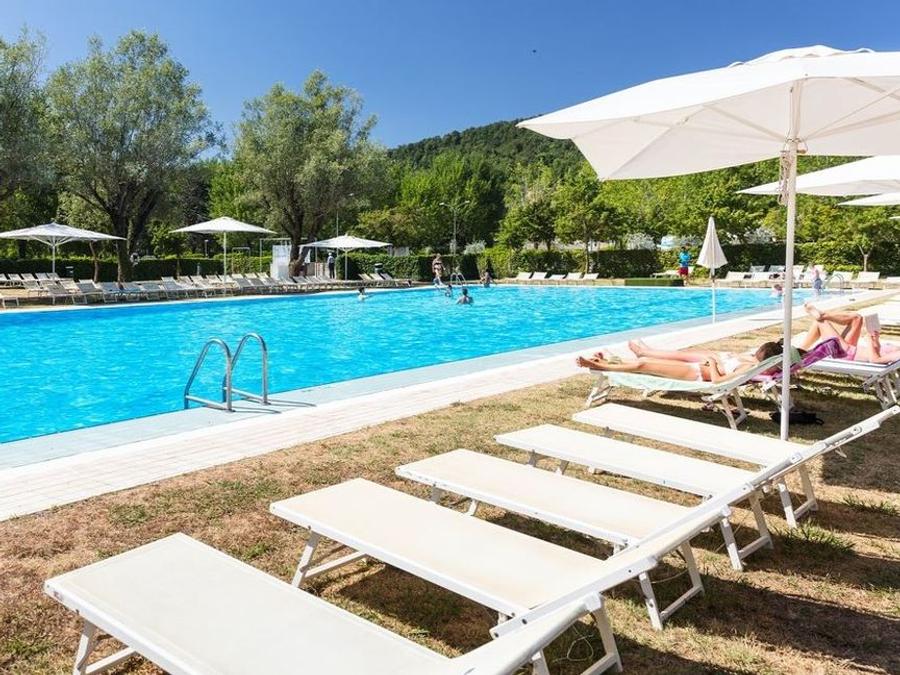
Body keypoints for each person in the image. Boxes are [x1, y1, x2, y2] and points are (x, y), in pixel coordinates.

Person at [576, 339, 785, 382]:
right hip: (696, 368)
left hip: (697, 374)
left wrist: (713, 364)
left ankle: (597, 365)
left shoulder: (749, 369)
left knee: (644, 365)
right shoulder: (754, 364)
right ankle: (609, 361)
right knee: (646, 364)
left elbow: (718, 381)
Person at [796, 303, 899, 363]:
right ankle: (823, 314)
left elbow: (875, 360)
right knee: (857, 318)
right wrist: (875, 340)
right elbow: (878, 351)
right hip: (851, 349)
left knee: (820, 322)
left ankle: (799, 352)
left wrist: (869, 341)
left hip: (846, 354)